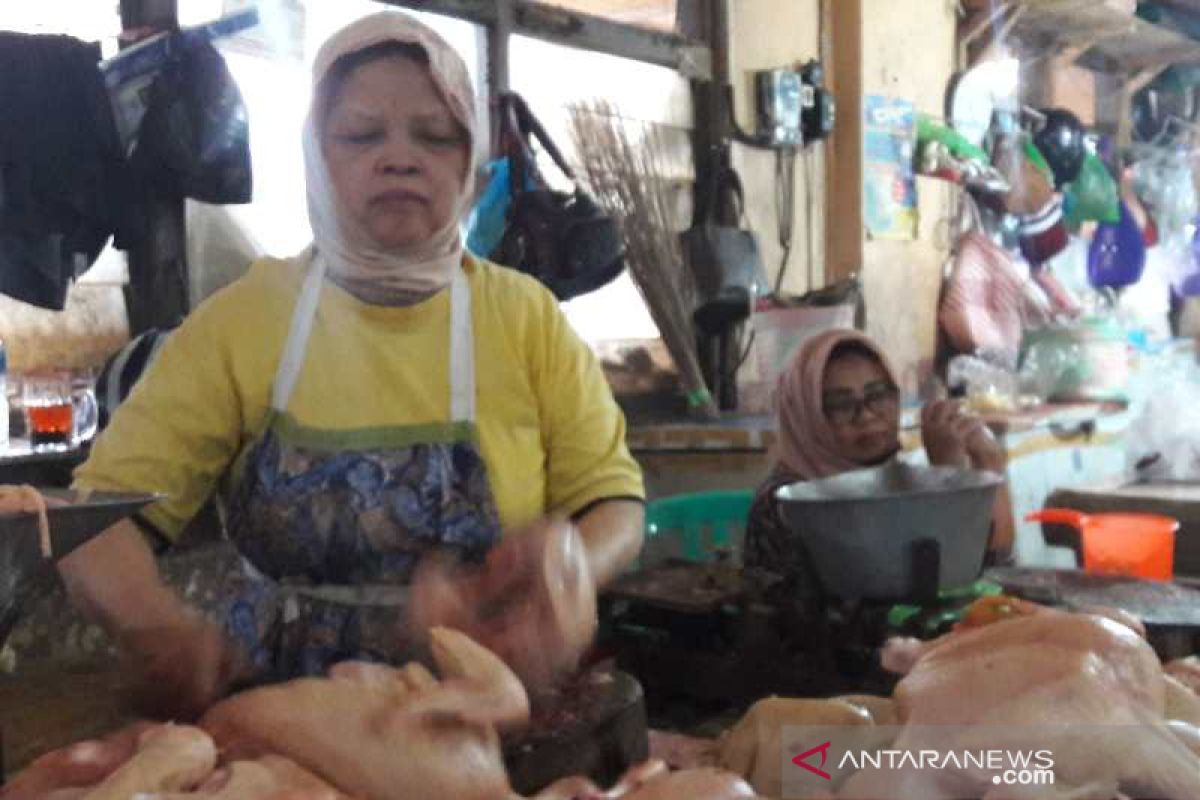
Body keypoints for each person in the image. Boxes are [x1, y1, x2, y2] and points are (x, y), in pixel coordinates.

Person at [59, 11, 644, 719]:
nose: (399, 157)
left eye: (434, 135)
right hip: (282, 713)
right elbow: (93, 526)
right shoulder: (247, 318)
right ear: (316, 155)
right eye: (362, 134)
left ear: (470, 166)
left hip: (486, 702)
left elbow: (612, 503)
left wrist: (570, 569)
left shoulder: (527, 320)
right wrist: (160, 629)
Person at [745, 328, 1014, 583]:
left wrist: (988, 464)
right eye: (841, 405)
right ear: (807, 415)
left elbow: (996, 572)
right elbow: (898, 596)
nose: (866, 415)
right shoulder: (785, 502)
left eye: (877, 395)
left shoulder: (895, 479)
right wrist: (948, 477)